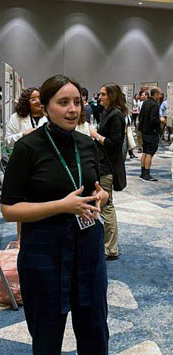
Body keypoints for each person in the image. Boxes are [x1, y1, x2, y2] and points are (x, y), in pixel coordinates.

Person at [1, 74, 109, 355]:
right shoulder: (27, 148)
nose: (73, 109)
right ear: (45, 107)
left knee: (95, 330)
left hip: (88, 250)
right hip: (44, 253)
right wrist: (62, 206)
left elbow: (99, 189)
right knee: (47, 335)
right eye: (63, 102)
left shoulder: (86, 145)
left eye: (77, 102)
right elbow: (9, 209)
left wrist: (101, 197)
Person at [4, 87, 47, 242]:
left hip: (43, 166)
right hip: (22, 166)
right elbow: (7, 141)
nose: (37, 101)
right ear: (26, 101)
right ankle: (21, 238)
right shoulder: (16, 118)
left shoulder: (49, 116)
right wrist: (23, 135)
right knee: (22, 204)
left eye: (40, 98)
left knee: (43, 203)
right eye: (33, 98)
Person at [89, 83, 127, 261]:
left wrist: (96, 135)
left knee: (106, 206)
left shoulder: (116, 115)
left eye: (103, 94)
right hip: (102, 165)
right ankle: (108, 245)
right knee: (104, 205)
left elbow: (114, 144)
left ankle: (111, 248)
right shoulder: (108, 113)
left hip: (108, 167)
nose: (100, 97)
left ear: (112, 95)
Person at [138, 87, 165, 182]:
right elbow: (153, 120)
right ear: (155, 94)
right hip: (151, 132)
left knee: (145, 152)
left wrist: (140, 129)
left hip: (145, 131)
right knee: (150, 153)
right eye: (160, 94)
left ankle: (142, 173)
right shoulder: (154, 105)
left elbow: (140, 117)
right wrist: (160, 120)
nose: (161, 95)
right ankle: (147, 174)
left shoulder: (145, 103)